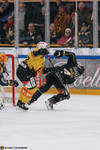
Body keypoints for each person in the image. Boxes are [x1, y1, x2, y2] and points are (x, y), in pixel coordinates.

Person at [16, 41, 49, 110]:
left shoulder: (42, 58)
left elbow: (41, 70)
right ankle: (22, 103)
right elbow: (34, 54)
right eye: (45, 48)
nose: (47, 50)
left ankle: (20, 101)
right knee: (33, 88)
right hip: (24, 71)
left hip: (25, 72)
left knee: (27, 88)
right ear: (41, 48)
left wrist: (49, 70)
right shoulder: (36, 51)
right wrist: (41, 51)